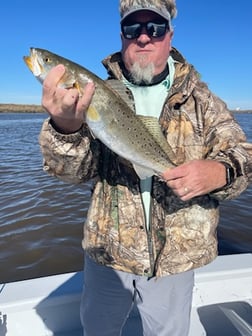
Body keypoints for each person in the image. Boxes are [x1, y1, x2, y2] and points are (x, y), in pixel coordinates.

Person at [39, 0, 251, 335]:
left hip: (175, 262)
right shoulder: (98, 92)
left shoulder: (202, 101)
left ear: (170, 35)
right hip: (107, 256)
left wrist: (220, 172)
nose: (143, 37)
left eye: (154, 27)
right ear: (121, 35)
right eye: (132, 27)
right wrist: (66, 127)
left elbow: (244, 155)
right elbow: (72, 173)